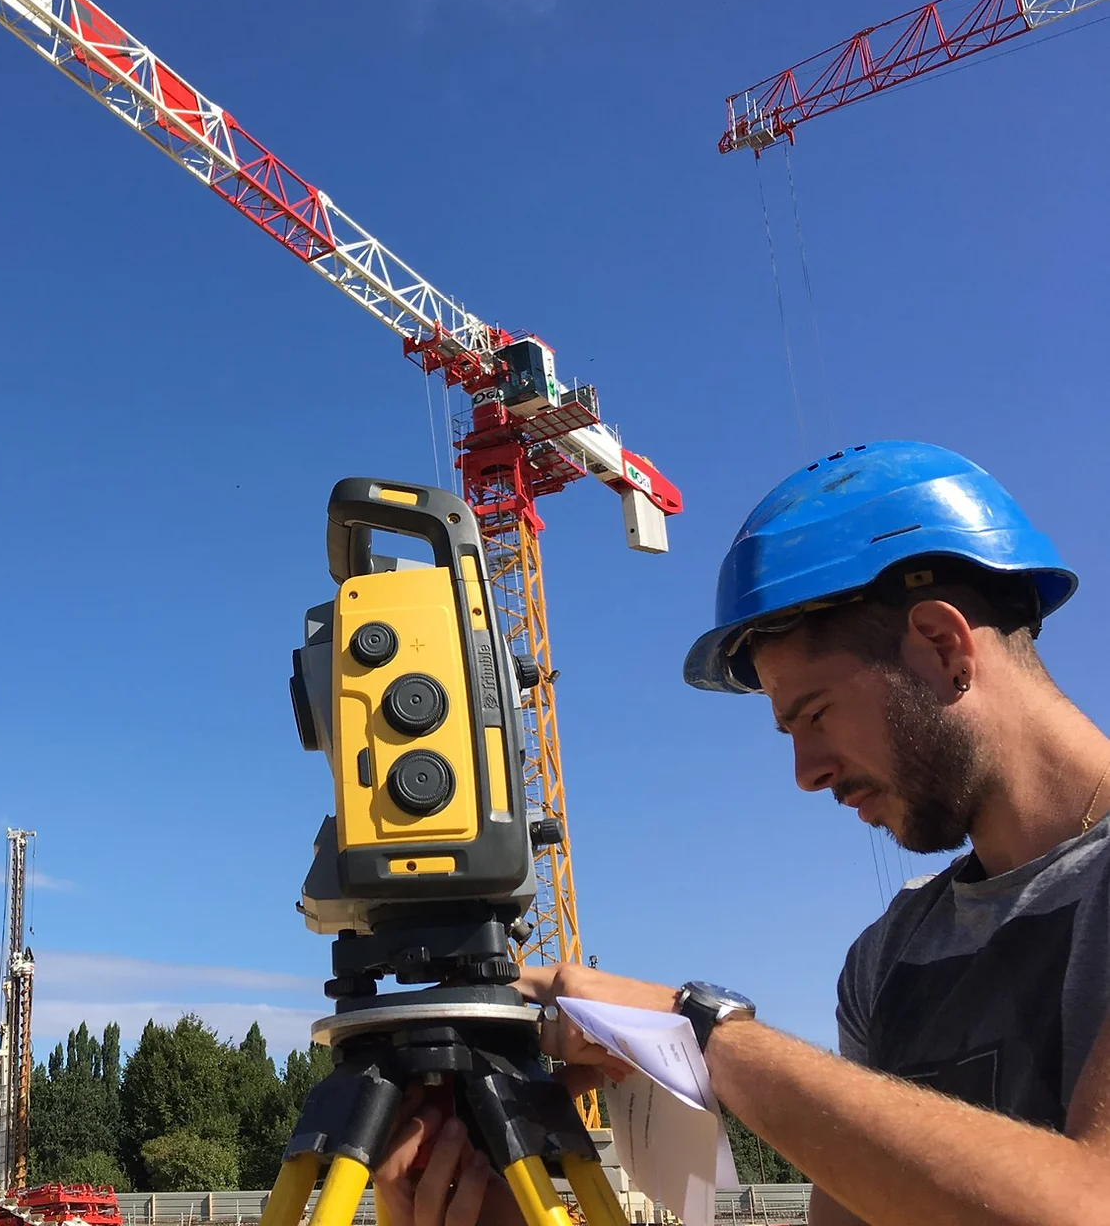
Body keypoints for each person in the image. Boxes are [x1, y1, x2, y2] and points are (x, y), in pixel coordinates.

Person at [372, 440, 1110, 1226]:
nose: (806, 772)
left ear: (941, 645)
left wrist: (698, 1034)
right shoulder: (892, 957)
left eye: (815, 713)